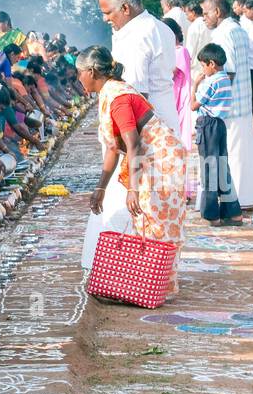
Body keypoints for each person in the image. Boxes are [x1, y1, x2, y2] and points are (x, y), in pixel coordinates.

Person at [77, 46, 188, 292]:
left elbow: (133, 144)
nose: (78, 78)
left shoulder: (117, 98)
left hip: (162, 158)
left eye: (79, 72)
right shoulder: (109, 93)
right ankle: (151, 283)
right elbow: (112, 149)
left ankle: (160, 286)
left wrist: (133, 190)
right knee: (146, 219)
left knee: (155, 219)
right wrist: (101, 188)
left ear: (92, 71)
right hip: (152, 157)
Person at [202, 0, 253, 208]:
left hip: (230, 106)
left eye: (206, 13)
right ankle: (245, 196)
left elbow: (227, 71)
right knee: (244, 154)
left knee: (233, 153)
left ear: (217, 12)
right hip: (243, 102)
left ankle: (234, 200)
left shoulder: (223, 33)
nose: (204, 18)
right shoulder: (239, 30)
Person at [97, 0, 179, 130]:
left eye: (108, 13)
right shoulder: (160, 27)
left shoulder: (137, 36)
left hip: (146, 128)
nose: (105, 19)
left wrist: (127, 141)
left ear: (125, 9)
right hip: (165, 116)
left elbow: (135, 94)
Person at [191, 43, 241, 224]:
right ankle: (232, 211)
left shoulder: (210, 82)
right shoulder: (226, 79)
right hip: (219, 125)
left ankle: (212, 215)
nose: (202, 69)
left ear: (211, 63)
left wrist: (195, 84)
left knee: (209, 167)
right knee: (221, 166)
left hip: (207, 125)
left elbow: (193, 105)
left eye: (203, 65)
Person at [165, 19, 195, 150]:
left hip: (178, 94)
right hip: (173, 92)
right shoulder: (173, 50)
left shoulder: (180, 51)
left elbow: (172, 71)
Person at [185, 2, 211, 78]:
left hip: (196, 68)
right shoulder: (209, 23)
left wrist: (187, 66)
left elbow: (190, 50)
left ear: (193, 13)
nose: (186, 17)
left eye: (187, 14)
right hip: (209, 65)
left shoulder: (194, 26)